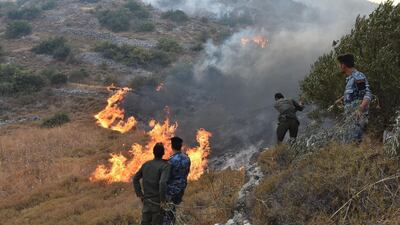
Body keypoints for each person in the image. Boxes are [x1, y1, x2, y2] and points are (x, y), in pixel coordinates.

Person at [335, 53, 372, 143]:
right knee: (349, 144)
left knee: (353, 144)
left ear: (343, 65)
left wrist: (360, 109)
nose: (339, 66)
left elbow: (367, 94)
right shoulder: (350, 79)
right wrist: (342, 99)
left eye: (340, 64)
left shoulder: (358, 76)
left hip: (357, 118)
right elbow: (356, 94)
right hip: (350, 118)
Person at [133, 143, 171, 225]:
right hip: (157, 203)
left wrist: (140, 195)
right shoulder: (165, 166)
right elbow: (162, 182)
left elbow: (135, 179)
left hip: (146, 201)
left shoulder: (146, 164)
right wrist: (163, 200)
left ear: (153, 152)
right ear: (163, 153)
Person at [163, 137, 191, 225]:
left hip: (171, 190)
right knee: (172, 210)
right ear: (181, 146)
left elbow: (166, 177)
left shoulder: (171, 161)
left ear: (172, 146)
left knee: (167, 213)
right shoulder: (187, 158)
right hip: (181, 189)